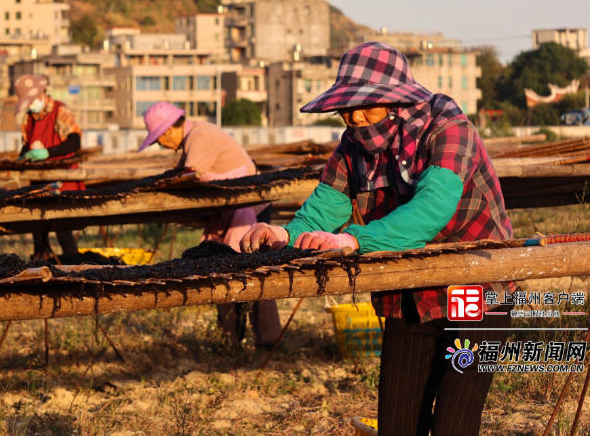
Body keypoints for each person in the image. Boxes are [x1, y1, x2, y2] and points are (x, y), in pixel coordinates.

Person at [241, 42, 515, 435]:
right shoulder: (351, 147)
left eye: (366, 106)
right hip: (409, 291)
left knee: (454, 424)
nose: (354, 117)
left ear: (396, 101)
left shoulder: (448, 129)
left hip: (476, 287)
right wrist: (283, 233)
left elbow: (432, 209)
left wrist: (354, 240)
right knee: (397, 425)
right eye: (347, 109)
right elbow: (325, 208)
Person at [139, 101, 282, 350]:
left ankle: (263, 342)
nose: (160, 144)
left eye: (158, 139)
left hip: (246, 211)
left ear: (170, 130)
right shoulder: (195, 136)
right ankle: (233, 340)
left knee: (251, 269)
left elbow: (188, 176)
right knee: (227, 267)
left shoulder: (200, 136)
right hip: (232, 209)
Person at [14, 74, 85, 259]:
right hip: (39, 183)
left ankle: (75, 268)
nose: (30, 106)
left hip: (64, 181)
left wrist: (47, 153)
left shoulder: (60, 111)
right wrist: (23, 158)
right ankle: (41, 265)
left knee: (63, 229)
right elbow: (25, 147)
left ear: (41, 94)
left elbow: (74, 142)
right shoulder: (28, 119)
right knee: (38, 227)